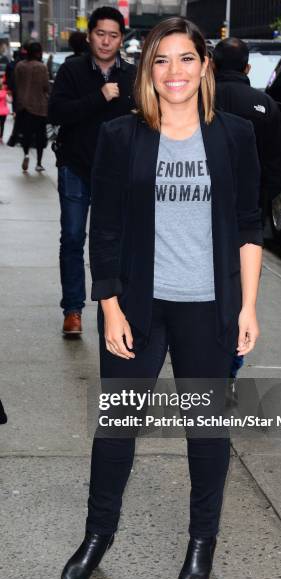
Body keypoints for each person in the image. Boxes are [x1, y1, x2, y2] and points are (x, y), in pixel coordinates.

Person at [60, 17, 263, 579]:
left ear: (204, 67)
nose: (175, 72)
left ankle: (202, 542)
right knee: (118, 426)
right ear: (148, 70)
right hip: (140, 307)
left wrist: (247, 307)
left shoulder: (234, 136)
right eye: (162, 60)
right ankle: (98, 535)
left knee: (206, 430)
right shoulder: (122, 137)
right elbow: (106, 230)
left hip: (210, 307)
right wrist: (111, 306)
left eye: (186, 59)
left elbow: (249, 228)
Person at [48, 6, 136, 336]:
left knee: (115, 240)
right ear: (90, 36)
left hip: (116, 173)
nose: (106, 41)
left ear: (121, 39)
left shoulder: (131, 76)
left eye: (113, 35)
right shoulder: (72, 70)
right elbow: (56, 113)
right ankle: (72, 310)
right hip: (76, 167)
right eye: (100, 34)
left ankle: (114, 305)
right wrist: (99, 97)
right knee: (72, 238)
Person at [213, 37, 281, 383]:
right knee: (241, 293)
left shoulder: (198, 99)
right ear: (247, 67)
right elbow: (279, 164)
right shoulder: (264, 105)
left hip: (203, 211)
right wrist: (259, 198)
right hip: (246, 219)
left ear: (211, 65)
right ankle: (228, 368)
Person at [14, 42, 49, 172]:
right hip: (39, 106)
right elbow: (46, 86)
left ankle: (26, 154)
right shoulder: (42, 67)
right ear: (38, 53)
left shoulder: (20, 66)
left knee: (26, 134)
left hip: (23, 105)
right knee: (40, 135)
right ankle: (39, 163)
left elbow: (16, 84)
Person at [0, 75, 10, 143]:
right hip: (3, 111)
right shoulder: (5, 93)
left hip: (2, 111)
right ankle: (1, 137)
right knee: (2, 124)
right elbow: (10, 100)